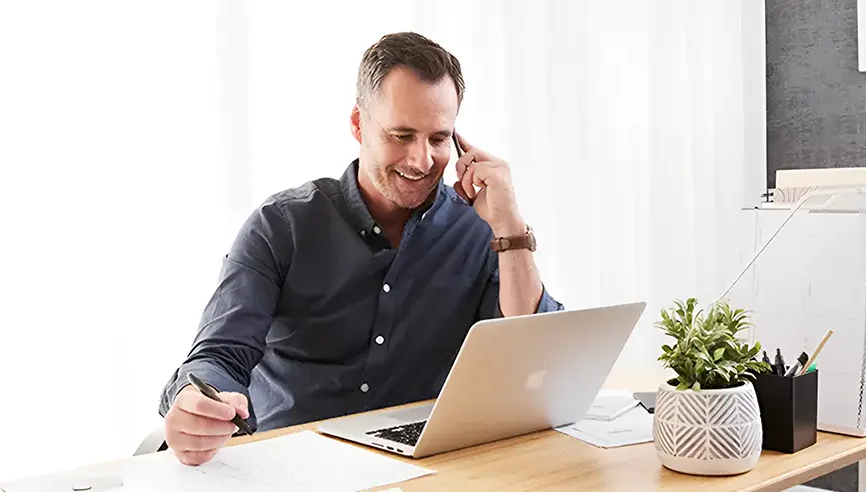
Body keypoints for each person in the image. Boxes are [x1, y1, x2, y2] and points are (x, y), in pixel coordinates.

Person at [158, 31, 564, 466]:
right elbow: (218, 356)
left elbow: (531, 360)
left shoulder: (481, 231)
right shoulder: (282, 225)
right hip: (291, 466)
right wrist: (195, 401)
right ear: (358, 124)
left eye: (438, 138)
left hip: (421, 470)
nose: (421, 161)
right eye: (401, 135)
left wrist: (511, 228)